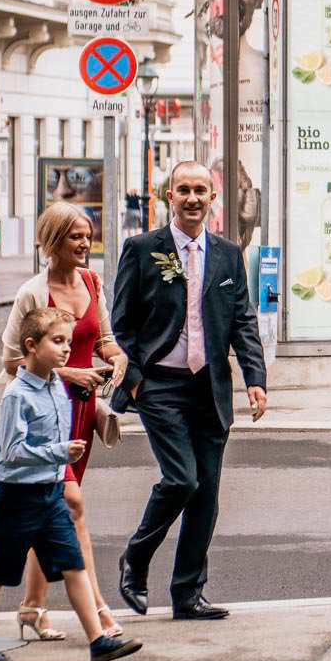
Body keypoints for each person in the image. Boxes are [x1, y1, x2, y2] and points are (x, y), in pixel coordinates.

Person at [111, 161, 266, 620]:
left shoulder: (226, 253)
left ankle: (187, 594)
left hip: (210, 389)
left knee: (206, 494)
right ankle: (135, 559)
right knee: (182, 479)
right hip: (159, 386)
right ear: (169, 196)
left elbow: (242, 320)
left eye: (201, 190)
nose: (193, 198)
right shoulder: (142, 250)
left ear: (213, 198)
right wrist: (135, 383)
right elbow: (121, 325)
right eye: (184, 190)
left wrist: (255, 380)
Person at [0, 306, 142, 661]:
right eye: (57, 342)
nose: (65, 350)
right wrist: (60, 452)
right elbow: (10, 453)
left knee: (74, 565)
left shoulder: (58, 386)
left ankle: (98, 642)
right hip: (14, 497)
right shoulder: (16, 395)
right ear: (31, 345)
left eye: (68, 342)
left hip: (50, 493)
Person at [0, 203, 129, 641]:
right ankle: (100, 614)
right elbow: (10, 360)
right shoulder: (33, 293)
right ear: (52, 240)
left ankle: (33, 608)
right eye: (75, 235)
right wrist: (67, 372)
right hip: (43, 414)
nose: (84, 243)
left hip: (82, 411)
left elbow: (104, 339)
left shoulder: (93, 282)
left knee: (51, 507)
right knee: (72, 505)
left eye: (87, 234)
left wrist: (117, 357)